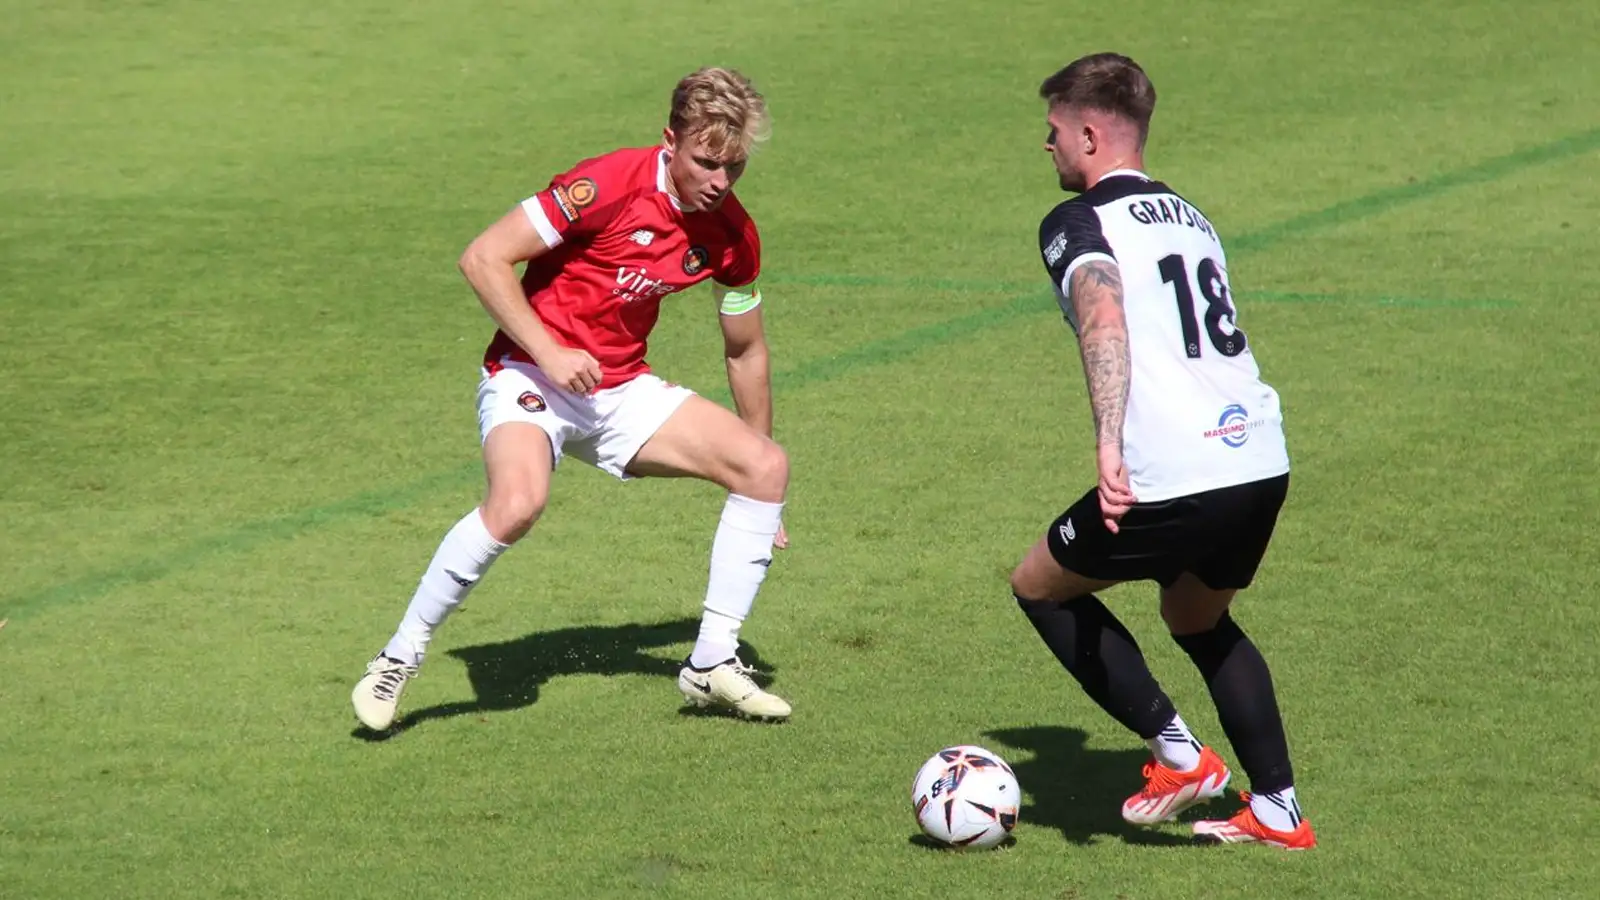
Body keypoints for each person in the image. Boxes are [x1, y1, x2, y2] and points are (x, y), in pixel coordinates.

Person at [352, 67, 792, 731]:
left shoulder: (732, 233)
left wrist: (759, 481)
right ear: (669, 140)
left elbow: (746, 350)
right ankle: (398, 656)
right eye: (706, 163)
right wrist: (552, 352)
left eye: (734, 167)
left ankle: (710, 664)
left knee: (765, 467)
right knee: (517, 504)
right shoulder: (606, 185)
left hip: (617, 387)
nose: (719, 182)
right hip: (529, 373)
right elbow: (483, 258)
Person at [1009, 53, 1316, 849]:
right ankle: (1278, 810)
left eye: (1054, 131)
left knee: (1040, 587)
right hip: (1258, 457)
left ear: (1088, 135)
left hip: (1177, 467)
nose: (1047, 145)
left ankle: (1180, 757)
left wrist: (1108, 442)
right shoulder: (1189, 215)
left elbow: (1102, 315)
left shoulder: (1078, 221)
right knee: (1195, 613)